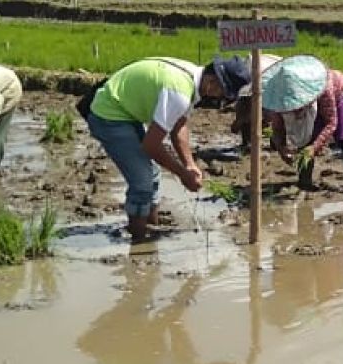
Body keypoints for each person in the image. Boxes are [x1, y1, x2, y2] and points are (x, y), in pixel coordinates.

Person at [85, 56, 250, 243]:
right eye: (222, 94)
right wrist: (182, 174)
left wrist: (190, 164)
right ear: (213, 82)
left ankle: (150, 228)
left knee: (153, 174)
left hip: (125, 108)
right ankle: (139, 243)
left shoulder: (192, 79)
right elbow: (151, 145)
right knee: (142, 181)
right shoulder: (179, 92)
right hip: (109, 115)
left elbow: (179, 126)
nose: (218, 99)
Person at [262, 55, 343, 189]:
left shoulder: (324, 88)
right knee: (306, 139)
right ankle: (304, 182)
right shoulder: (278, 99)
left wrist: (314, 148)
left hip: (341, 95)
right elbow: (278, 128)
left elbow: (331, 123)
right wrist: (281, 148)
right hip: (315, 104)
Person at [229, 53, 282, 151]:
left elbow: (272, 119)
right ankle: (248, 142)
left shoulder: (272, 96)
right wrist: (240, 122)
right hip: (255, 117)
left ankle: (276, 144)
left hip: (271, 114)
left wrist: (265, 124)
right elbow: (235, 127)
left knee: (275, 125)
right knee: (247, 124)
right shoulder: (243, 101)